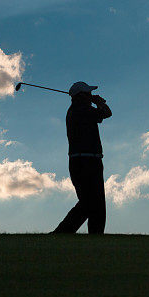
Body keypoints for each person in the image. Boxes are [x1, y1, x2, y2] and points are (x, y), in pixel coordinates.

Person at [52, 81, 112, 234]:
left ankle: (91, 235)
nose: (91, 95)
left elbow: (101, 115)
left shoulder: (78, 109)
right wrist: (98, 102)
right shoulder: (81, 109)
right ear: (82, 95)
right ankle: (63, 232)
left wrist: (95, 103)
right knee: (91, 202)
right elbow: (106, 113)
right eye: (89, 93)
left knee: (93, 202)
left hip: (84, 160)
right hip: (86, 161)